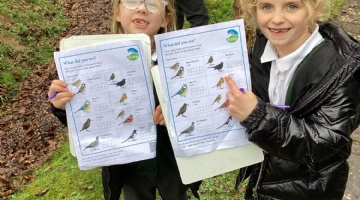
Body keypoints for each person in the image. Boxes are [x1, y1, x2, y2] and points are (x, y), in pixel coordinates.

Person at [48, 0, 201, 199]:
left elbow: (198, 106)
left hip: (173, 162)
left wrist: (176, 113)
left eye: (153, 4)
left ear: (166, 18)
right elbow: (89, 120)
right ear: (118, 13)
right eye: (131, 1)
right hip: (129, 166)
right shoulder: (94, 63)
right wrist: (62, 104)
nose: (142, 8)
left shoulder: (181, 59)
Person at [225, 0, 360, 199]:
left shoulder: (342, 69)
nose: (277, 19)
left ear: (316, 8)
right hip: (262, 180)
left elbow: (324, 141)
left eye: (292, 6)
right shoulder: (261, 45)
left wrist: (257, 116)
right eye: (266, 7)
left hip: (310, 188)